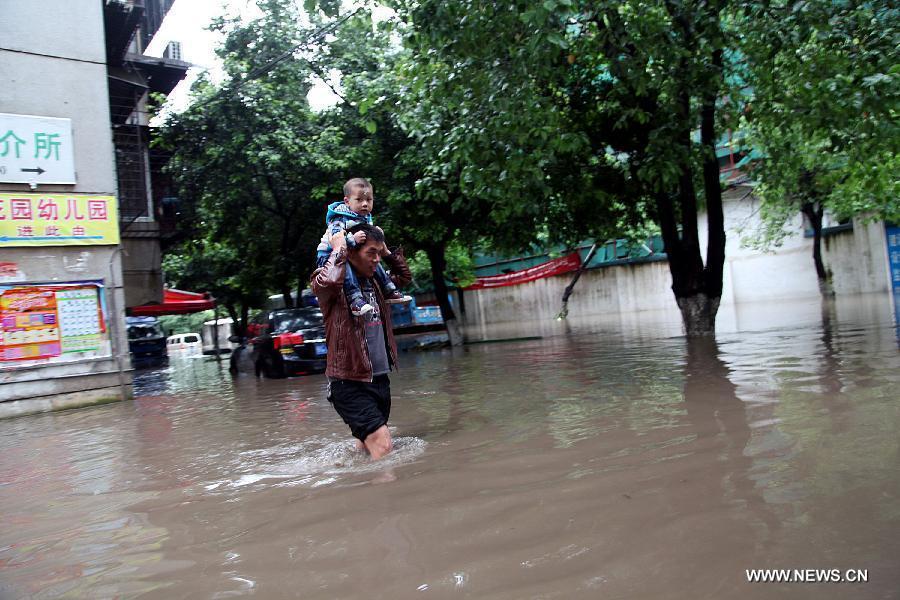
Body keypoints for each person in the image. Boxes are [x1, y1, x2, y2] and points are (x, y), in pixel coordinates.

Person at [311, 222, 412, 459]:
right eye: (371, 253)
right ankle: (390, 493)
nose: (377, 259)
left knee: (367, 448)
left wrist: (387, 253)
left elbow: (404, 277)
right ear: (352, 252)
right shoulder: (332, 285)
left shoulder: (377, 282)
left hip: (379, 379)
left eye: (379, 253)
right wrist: (338, 248)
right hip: (348, 382)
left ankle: (361, 486)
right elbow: (326, 282)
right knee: (384, 446)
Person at [315, 178, 411, 316]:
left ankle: (389, 290)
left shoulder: (365, 218)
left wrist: (383, 248)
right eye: (359, 200)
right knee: (345, 266)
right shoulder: (340, 218)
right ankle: (355, 299)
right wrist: (351, 240)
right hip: (330, 257)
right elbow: (335, 239)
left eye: (369, 200)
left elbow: (404, 277)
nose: (365, 204)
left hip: (348, 254)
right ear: (347, 201)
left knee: (376, 265)